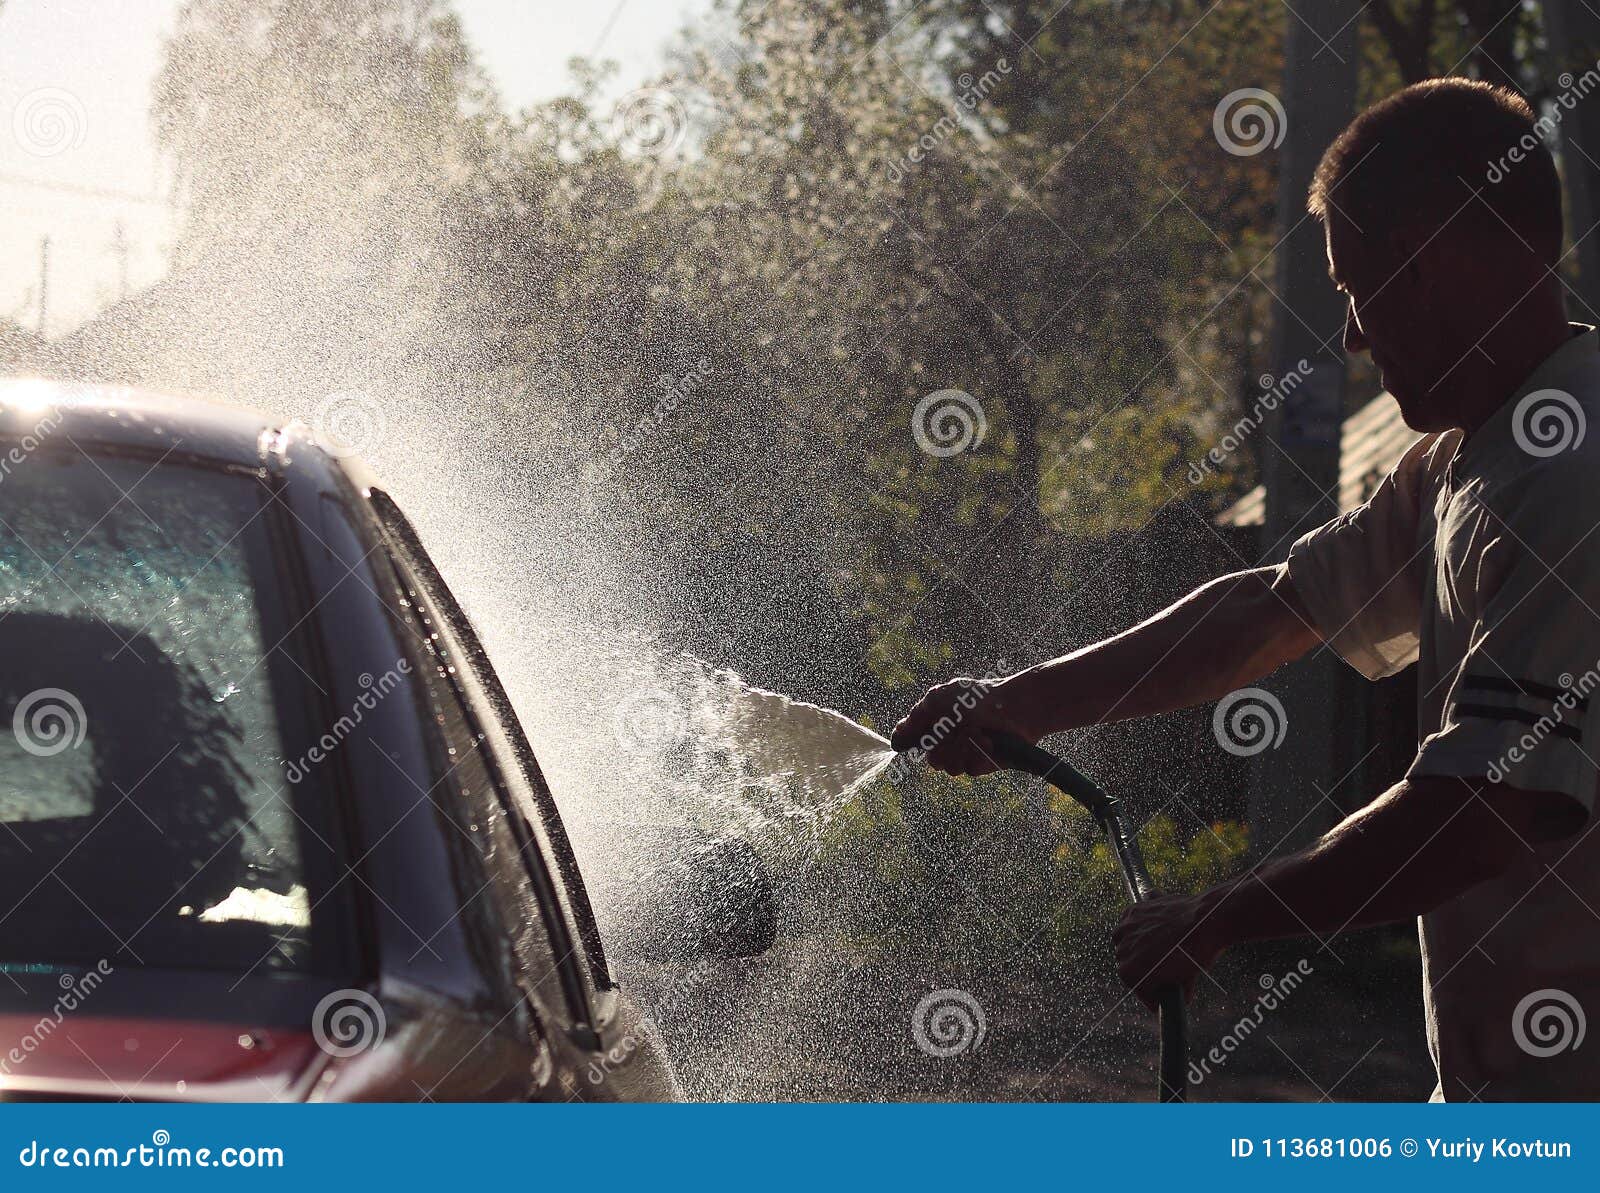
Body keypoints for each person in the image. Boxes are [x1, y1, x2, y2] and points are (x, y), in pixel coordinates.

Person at [891, 78, 1600, 1101]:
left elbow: (1477, 815)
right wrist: (1014, 703)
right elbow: (1267, 609)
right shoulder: (1467, 453)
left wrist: (1221, 914)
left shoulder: (1568, 478)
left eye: (1359, 285)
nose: (1353, 335)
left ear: (1438, 252)